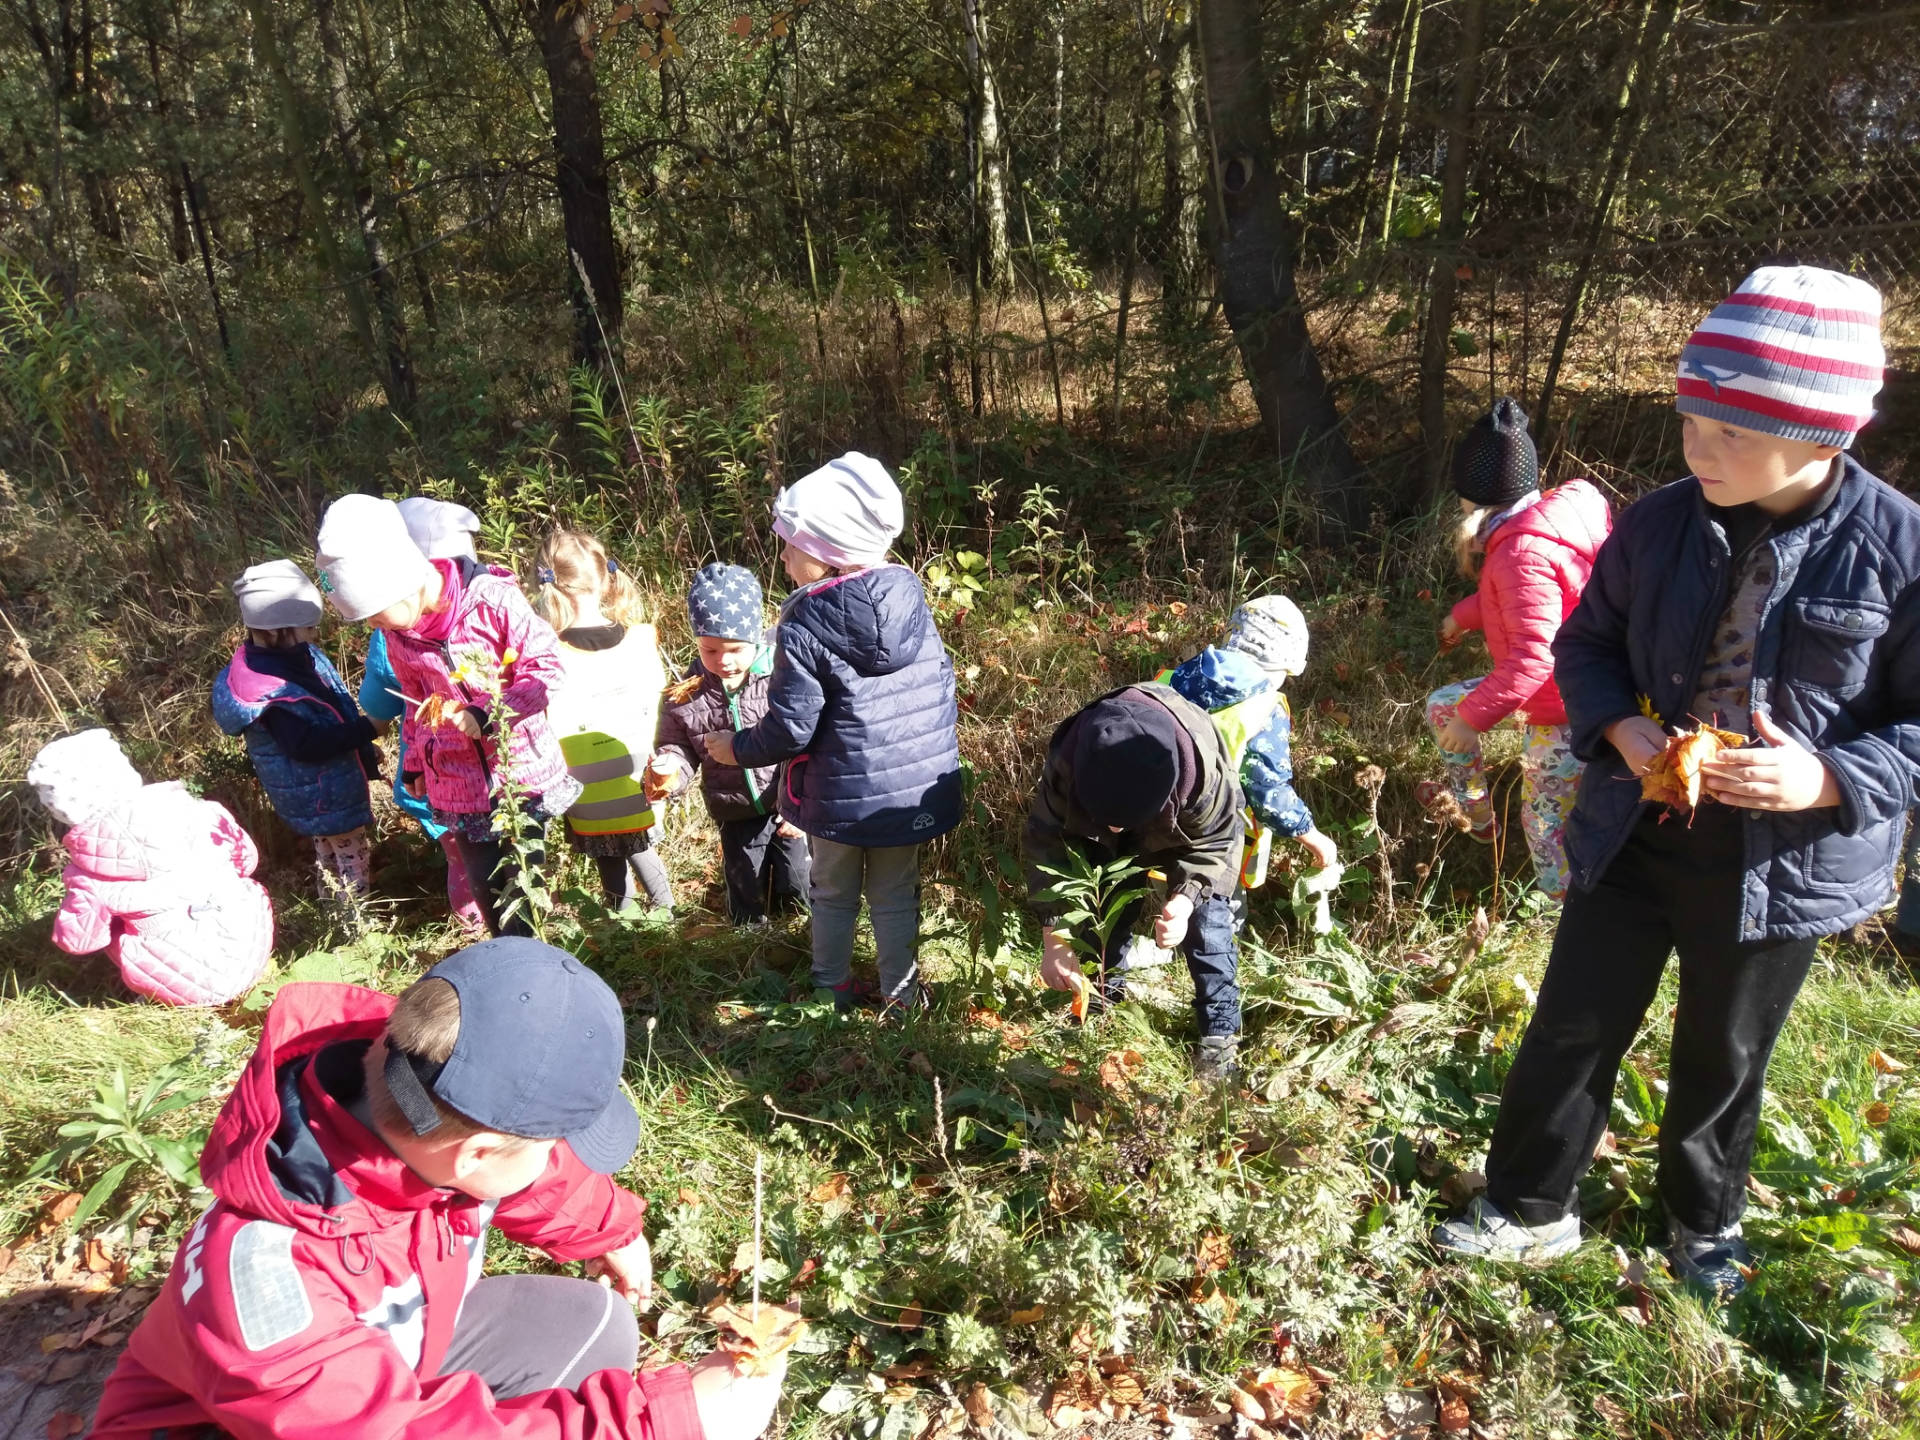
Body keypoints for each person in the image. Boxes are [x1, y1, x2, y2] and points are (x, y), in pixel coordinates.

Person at [1433, 266, 1920, 1299]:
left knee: (1724, 1050)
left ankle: (1704, 1225)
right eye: (1693, 418)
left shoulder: (1898, 553)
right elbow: (1586, 644)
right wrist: (1615, 728)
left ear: (1826, 434)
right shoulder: (1657, 522)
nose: (1701, 447)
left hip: (1780, 858)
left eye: (1733, 432)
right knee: (1575, 1015)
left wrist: (1827, 779)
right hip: (1636, 824)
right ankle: (1528, 1207)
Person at [89, 936, 789, 1440]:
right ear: (477, 1153)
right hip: (240, 1425)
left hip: (372, 1372)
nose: (558, 1157)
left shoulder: (407, 1077)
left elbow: (519, 1171)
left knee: (593, 1325)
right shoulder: (266, 1286)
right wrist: (663, 1424)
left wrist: (611, 1230)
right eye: (555, 1141)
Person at [703, 455, 961, 1010]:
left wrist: (737, 748)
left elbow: (791, 728)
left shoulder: (803, 622)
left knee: (834, 893)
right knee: (895, 895)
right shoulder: (911, 600)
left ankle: (831, 987)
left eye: (790, 544)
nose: (783, 555)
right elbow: (941, 690)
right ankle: (901, 994)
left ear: (824, 553)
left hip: (841, 794)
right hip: (910, 791)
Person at [316, 494, 578, 938]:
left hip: (519, 773)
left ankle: (534, 958)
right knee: (484, 880)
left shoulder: (493, 601)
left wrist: (491, 712)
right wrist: (416, 761)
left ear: (408, 581)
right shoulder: (402, 635)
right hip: (456, 780)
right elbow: (417, 704)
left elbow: (546, 667)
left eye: (378, 615)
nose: (378, 628)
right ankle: (508, 955)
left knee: (523, 878)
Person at [1416, 399, 1611, 900]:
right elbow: (1518, 602)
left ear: (1476, 503)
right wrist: (1461, 617)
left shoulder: (1520, 553)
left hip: (1564, 708)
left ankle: (1566, 910)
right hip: (1559, 684)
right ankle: (1476, 814)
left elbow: (1535, 657)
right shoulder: (1538, 529)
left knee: (1545, 825)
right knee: (1442, 706)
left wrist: (1473, 719)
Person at [1025, 681, 1247, 1078]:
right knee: (1105, 905)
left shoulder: (1204, 781)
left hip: (1188, 830)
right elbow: (1047, 843)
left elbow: (1216, 846)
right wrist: (1053, 936)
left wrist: (1182, 902)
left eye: (1122, 821)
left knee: (1209, 925)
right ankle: (1098, 1005)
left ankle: (1219, 1036)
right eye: (1108, 819)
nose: (1114, 827)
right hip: (1110, 818)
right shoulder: (1073, 758)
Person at [29, 728, 272, 1006]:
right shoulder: (205, 811)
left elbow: (79, 941)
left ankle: (157, 990)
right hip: (251, 945)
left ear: (62, 809)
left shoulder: (86, 872)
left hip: (192, 987)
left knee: (108, 922)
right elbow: (248, 861)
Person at [211, 559, 383, 911]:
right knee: (351, 855)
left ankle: (331, 908)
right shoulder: (268, 691)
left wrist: (361, 747)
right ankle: (355, 920)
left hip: (322, 789)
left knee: (330, 852)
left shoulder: (294, 656)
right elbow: (306, 745)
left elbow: (330, 708)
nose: (315, 635)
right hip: (322, 792)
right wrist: (368, 728)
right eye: (307, 628)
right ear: (276, 630)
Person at [650, 563, 810, 925]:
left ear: (755, 637)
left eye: (736, 649)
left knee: (797, 879)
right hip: (734, 808)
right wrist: (669, 770)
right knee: (745, 883)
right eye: (709, 650)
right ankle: (748, 942)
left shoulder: (784, 675)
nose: (723, 660)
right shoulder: (687, 692)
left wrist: (802, 801)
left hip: (788, 801)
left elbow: (804, 737)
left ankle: (801, 934)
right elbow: (678, 745)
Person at [537, 528, 674, 915]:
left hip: (584, 790)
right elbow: (658, 700)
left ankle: (622, 922)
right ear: (605, 578)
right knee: (643, 849)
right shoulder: (640, 641)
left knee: (608, 858)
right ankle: (666, 918)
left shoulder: (547, 651)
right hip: (638, 780)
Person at [1165, 596, 1339, 881]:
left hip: (1156, 822)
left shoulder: (1174, 679)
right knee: (1213, 916)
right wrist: (1310, 835)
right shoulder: (1264, 706)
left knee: (1169, 913)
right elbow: (1266, 788)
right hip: (1211, 839)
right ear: (1285, 662)